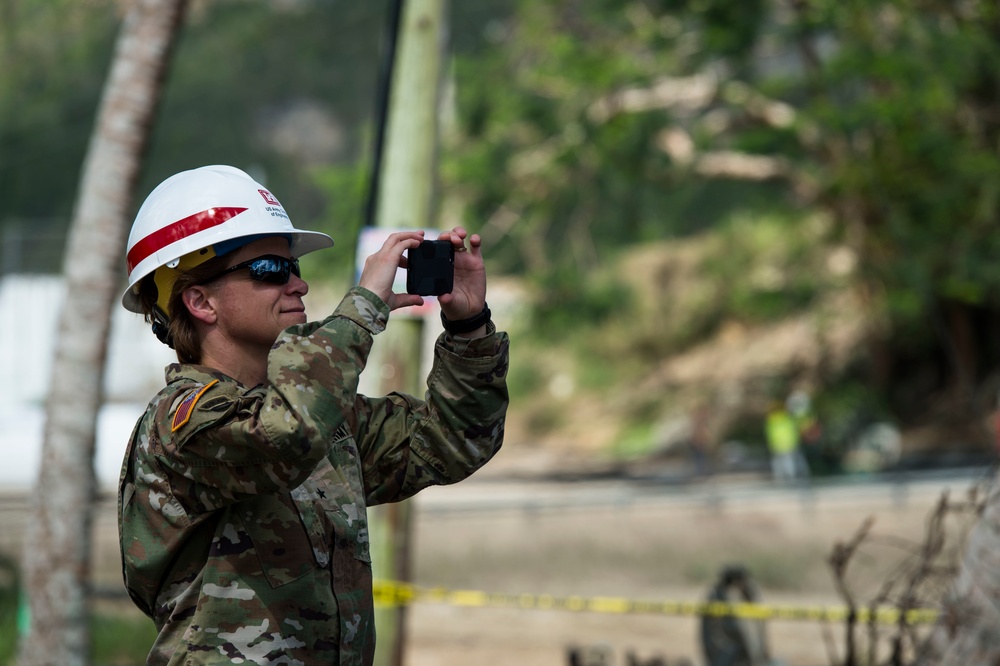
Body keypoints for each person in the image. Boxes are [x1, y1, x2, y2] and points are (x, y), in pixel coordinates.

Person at [116, 165, 509, 665]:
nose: (297, 285)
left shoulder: (321, 417)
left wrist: (469, 324)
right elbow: (283, 436)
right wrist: (363, 307)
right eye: (270, 270)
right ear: (199, 301)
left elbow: (453, 441)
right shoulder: (182, 422)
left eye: (294, 267)